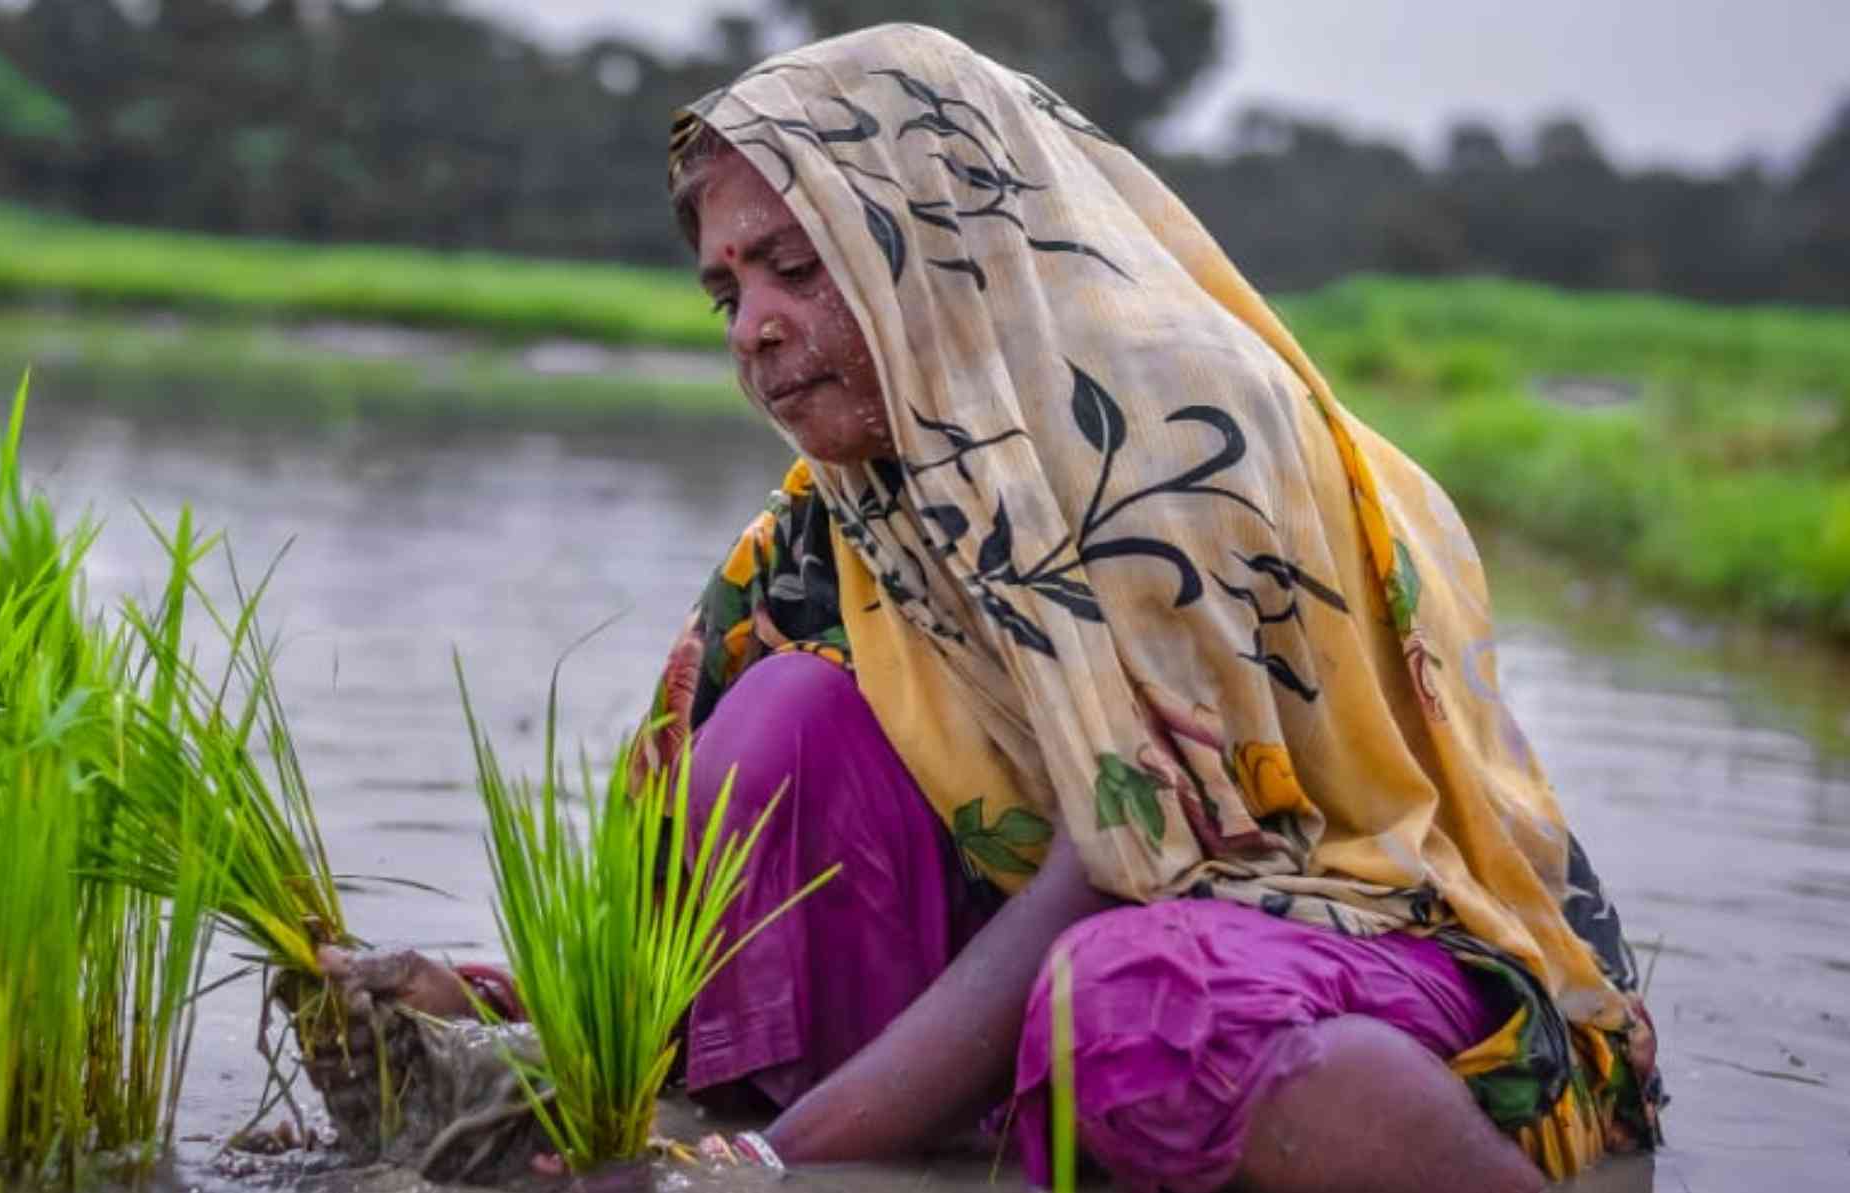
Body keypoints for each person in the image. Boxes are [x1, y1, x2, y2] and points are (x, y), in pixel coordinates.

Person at [324, 24, 1662, 1192]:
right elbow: (684, 889)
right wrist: (506, 1007)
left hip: (1338, 931)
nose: (753, 328)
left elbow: (1126, 859)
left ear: (938, 236)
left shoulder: (1165, 428)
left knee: (1138, 1007)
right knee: (782, 713)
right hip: (1042, 948)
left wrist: (772, 1163)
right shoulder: (846, 507)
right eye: (728, 290)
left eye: (798, 265)